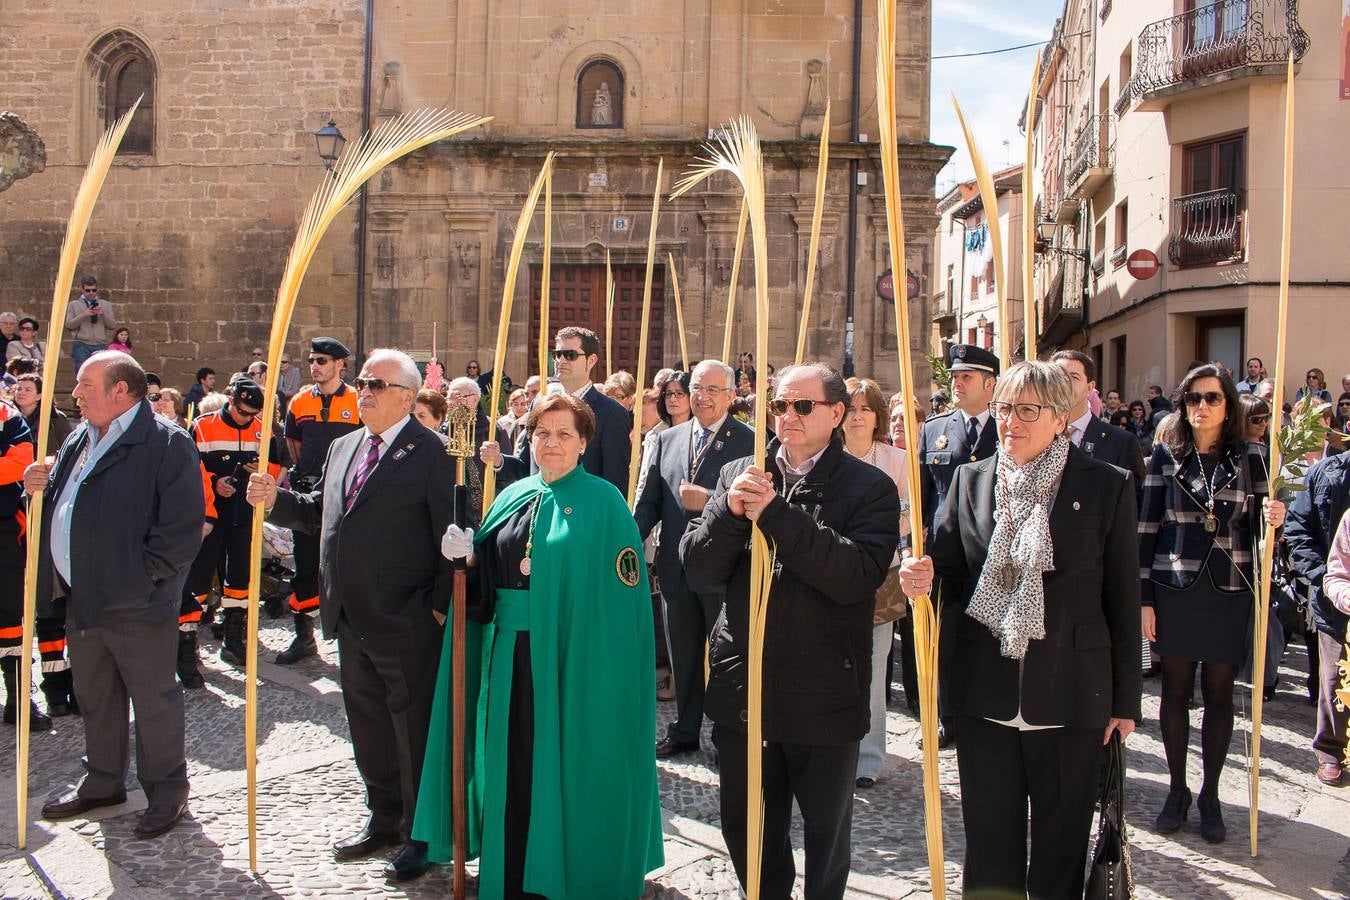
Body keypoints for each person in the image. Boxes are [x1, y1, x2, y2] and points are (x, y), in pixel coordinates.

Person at [898, 361, 1141, 899]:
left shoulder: (1105, 486)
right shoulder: (971, 479)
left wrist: (1124, 701)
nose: (1012, 421)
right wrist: (923, 572)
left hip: (1071, 693)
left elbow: (1123, 596)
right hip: (985, 691)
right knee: (989, 845)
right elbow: (949, 564)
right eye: (1005, 408)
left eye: (1027, 410)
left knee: (1061, 844)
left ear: (1060, 418)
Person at [416, 391, 664, 897]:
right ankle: (512, 872)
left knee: (563, 765)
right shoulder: (511, 495)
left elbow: (620, 605)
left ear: (583, 443)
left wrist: (602, 670)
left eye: (564, 434)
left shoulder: (605, 503)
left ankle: (561, 875)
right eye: (542, 432)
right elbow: (484, 582)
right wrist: (465, 559)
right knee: (513, 765)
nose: (551, 442)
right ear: (528, 438)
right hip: (508, 657)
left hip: (573, 659)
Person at [681, 363, 900, 900]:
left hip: (825, 689)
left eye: (803, 406)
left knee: (826, 836)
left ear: (837, 413)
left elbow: (853, 576)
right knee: (747, 826)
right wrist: (730, 513)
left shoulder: (869, 486)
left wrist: (777, 514)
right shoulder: (742, 469)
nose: (788, 416)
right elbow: (698, 570)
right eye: (779, 405)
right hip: (745, 686)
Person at [246, 348, 456, 882]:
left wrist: (432, 611)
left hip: (404, 620)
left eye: (375, 384)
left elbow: (452, 538)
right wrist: (276, 499)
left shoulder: (434, 453)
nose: (362, 390)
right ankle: (383, 817)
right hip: (348, 615)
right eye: (361, 381)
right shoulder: (343, 447)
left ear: (407, 396)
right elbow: (321, 512)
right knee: (367, 725)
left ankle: (421, 832)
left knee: (411, 729)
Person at [26, 351, 204, 837]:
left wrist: (144, 579)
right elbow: (66, 501)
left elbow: (183, 529)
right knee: (97, 696)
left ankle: (167, 790)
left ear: (120, 391)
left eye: (86, 385)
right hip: (82, 596)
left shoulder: (166, 442)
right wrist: (34, 486)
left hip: (136, 601)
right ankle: (103, 780)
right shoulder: (81, 437)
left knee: (153, 700)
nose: (76, 394)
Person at [1138, 364, 1285, 843]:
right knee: (1175, 690)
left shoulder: (1252, 456)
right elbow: (1147, 528)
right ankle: (1177, 789)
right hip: (1175, 586)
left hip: (1229, 585)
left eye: (1212, 398)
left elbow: (1263, 534)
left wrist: (1275, 519)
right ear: (1182, 404)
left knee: (1219, 693)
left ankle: (1211, 794)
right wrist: (1144, 598)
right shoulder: (1164, 455)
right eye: (1193, 398)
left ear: (1229, 405)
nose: (1201, 407)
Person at [635, 359, 753, 758]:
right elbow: (651, 502)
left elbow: (757, 507)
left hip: (723, 569)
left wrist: (712, 502)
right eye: (697, 388)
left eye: (713, 390)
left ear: (732, 396)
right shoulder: (669, 439)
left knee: (724, 657)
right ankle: (685, 729)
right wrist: (626, 536)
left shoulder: (750, 442)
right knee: (683, 654)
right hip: (674, 568)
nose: (702, 397)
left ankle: (724, 736)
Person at [916, 343, 999, 748]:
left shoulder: (1008, 428)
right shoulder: (935, 429)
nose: (957, 383)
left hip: (991, 551)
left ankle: (986, 709)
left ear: (990, 384)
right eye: (954, 376)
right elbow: (921, 494)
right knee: (941, 639)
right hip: (946, 554)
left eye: (966, 377)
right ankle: (944, 716)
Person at [182, 378, 280, 674]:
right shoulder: (202, 426)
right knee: (197, 579)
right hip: (209, 516)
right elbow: (187, 470)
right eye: (241, 411)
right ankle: (185, 647)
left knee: (240, 578)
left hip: (245, 514)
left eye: (251, 414)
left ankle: (233, 639)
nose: (245, 418)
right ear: (231, 400)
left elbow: (275, 467)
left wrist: (261, 472)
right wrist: (215, 482)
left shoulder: (262, 431)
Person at [278, 337, 362, 664]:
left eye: (322, 361)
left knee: (347, 565)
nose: (315, 366)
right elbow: (293, 444)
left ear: (340, 365)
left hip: (347, 495)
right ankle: (304, 636)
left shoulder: (357, 400)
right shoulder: (299, 402)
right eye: (313, 360)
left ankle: (350, 639)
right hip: (308, 491)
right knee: (305, 566)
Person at [844, 377, 909, 789]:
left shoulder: (895, 460)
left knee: (872, 664)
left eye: (865, 409)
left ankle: (868, 757)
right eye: (850, 409)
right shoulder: (826, 455)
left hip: (880, 575)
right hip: (833, 568)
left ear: (877, 416)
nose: (857, 416)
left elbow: (907, 513)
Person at [487, 327, 630, 494]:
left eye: (570, 355)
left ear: (591, 360)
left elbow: (615, 483)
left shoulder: (612, 413)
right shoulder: (539, 403)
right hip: (539, 510)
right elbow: (528, 467)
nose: (561, 360)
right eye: (557, 354)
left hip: (581, 514)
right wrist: (498, 459)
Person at [1285, 448, 1350, 786]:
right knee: (1335, 679)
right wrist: (1325, 579)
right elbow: (1298, 529)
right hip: (1335, 596)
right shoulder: (1326, 473)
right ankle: (1331, 750)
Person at [0, 396, 46, 729]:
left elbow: (20, 461)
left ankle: (18, 700)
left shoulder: (6, 415)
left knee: (11, 617)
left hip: (4, 532)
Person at [1051, 350, 1145, 497]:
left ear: (1089, 388)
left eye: (1073, 377)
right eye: (1057, 377)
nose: (1064, 383)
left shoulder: (1121, 442)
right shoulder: (1035, 436)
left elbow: (1133, 503)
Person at [63, 276, 116, 369]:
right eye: (88, 290)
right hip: (81, 344)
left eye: (94, 290)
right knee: (82, 374)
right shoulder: (73, 304)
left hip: (100, 344)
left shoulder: (105, 304)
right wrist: (84, 314)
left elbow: (112, 326)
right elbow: (69, 325)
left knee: (100, 374)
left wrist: (103, 314)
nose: (91, 293)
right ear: (82, 289)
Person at [13, 373, 74, 451]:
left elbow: (68, 447)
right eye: (19, 389)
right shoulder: (8, 415)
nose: (21, 393)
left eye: (28, 390)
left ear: (39, 396)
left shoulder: (54, 417)